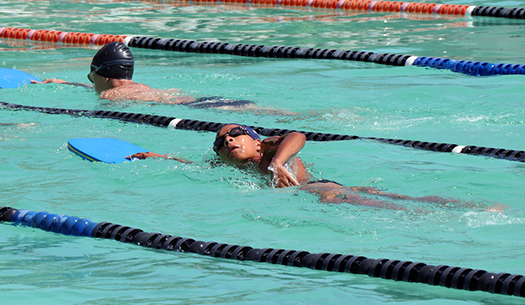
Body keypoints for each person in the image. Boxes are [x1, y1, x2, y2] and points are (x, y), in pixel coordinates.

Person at [130, 124, 483, 210]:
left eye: (235, 134)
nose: (228, 141)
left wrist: (278, 163)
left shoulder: (269, 151)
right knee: (386, 199)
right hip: (310, 196)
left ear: (256, 139)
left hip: (319, 189)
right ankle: (449, 209)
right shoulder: (232, 168)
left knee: (396, 203)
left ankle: (454, 209)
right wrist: (160, 158)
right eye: (220, 143)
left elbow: (298, 135)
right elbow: (197, 166)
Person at [36, 42, 295, 114]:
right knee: (268, 111)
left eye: (91, 78)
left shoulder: (109, 96)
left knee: (263, 113)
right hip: (200, 100)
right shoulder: (133, 87)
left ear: (102, 76)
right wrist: (64, 83)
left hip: (195, 109)